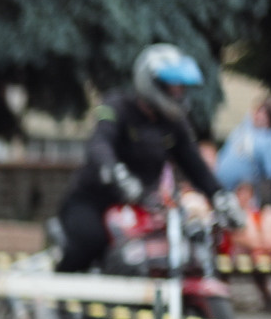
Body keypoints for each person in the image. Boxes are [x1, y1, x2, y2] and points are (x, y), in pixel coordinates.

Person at [54, 45, 244, 275]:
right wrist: (117, 173)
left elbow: (196, 166)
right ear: (151, 82)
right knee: (91, 241)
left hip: (142, 207)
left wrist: (220, 196)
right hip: (94, 201)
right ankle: (59, 301)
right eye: (172, 86)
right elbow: (99, 144)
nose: (178, 93)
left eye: (181, 87)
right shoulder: (116, 106)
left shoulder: (174, 125)